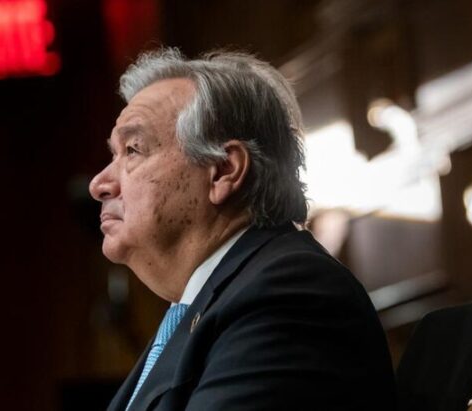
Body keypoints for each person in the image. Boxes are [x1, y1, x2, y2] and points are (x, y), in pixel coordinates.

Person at [88, 48, 397, 410]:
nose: (100, 184)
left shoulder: (287, 294)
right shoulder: (200, 306)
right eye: (114, 153)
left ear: (223, 171)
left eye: (133, 150)